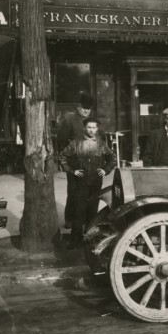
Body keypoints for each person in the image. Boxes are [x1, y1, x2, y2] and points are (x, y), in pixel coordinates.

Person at [58, 117, 116, 249]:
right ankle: (75, 240)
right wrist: (72, 171)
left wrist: (105, 170)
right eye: (89, 127)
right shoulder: (75, 143)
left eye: (94, 127)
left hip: (96, 182)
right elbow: (62, 157)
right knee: (79, 211)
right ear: (84, 128)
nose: (91, 130)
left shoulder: (101, 144)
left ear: (97, 129)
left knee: (93, 211)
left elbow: (112, 158)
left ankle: (90, 239)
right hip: (81, 183)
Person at [56, 93, 94, 230]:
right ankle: (70, 219)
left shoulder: (91, 121)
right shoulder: (69, 119)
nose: (86, 111)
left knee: (88, 192)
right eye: (83, 108)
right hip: (74, 161)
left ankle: (85, 220)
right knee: (73, 191)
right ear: (78, 107)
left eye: (88, 108)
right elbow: (61, 140)